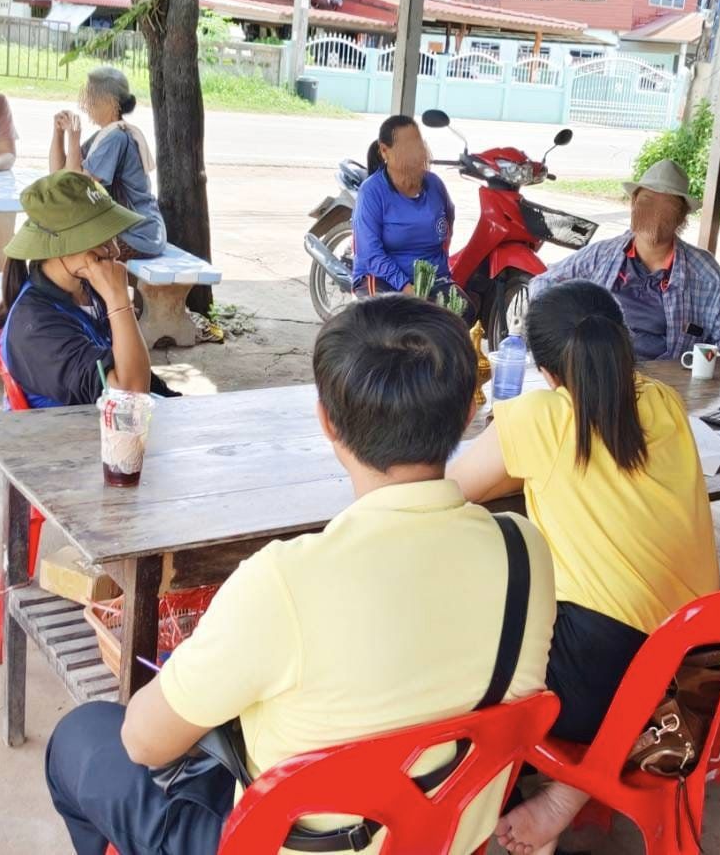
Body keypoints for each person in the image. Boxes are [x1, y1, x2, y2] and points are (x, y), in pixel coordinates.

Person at [44, 295, 557, 855]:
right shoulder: (526, 551)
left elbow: (143, 743)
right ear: (467, 414)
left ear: (326, 422)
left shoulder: (282, 583)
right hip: (449, 837)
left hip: (281, 844)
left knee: (82, 738)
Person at [447, 279, 718, 855]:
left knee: (462, 649)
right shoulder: (664, 401)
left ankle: (491, 799)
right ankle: (560, 794)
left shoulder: (540, 416)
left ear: (546, 371)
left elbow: (451, 492)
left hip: (606, 683)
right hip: (700, 669)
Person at [529, 159, 720, 367]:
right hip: (599, 374)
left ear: (682, 217)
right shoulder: (601, 255)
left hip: (669, 383)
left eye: (668, 206)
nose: (656, 213)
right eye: (648, 201)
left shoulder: (703, 271)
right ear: (633, 203)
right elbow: (544, 285)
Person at [0, 171, 177, 408]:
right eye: (100, 240)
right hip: (70, 439)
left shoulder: (86, 286)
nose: (115, 251)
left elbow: (137, 375)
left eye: (113, 238)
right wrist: (119, 301)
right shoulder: (34, 329)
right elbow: (131, 397)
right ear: (59, 246)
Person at [51, 66, 166, 260]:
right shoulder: (104, 135)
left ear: (112, 103)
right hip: (123, 229)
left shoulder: (117, 138)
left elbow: (77, 186)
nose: (88, 104)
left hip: (139, 235)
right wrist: (59, 134)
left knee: (72, 250)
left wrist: (73, 138)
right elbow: (58, 176)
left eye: (93, 99)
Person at [351, 115, 461, 300]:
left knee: (464, 314)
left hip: (432, 281)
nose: (416, 154)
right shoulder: (371, 191)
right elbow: (370, 254)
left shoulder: (435, 185)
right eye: (407, 148)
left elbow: (447, 226)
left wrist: (438, 276)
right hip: (383, 278)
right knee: (401, 324)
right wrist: (407, 289)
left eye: (418, 145)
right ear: (385, 151)